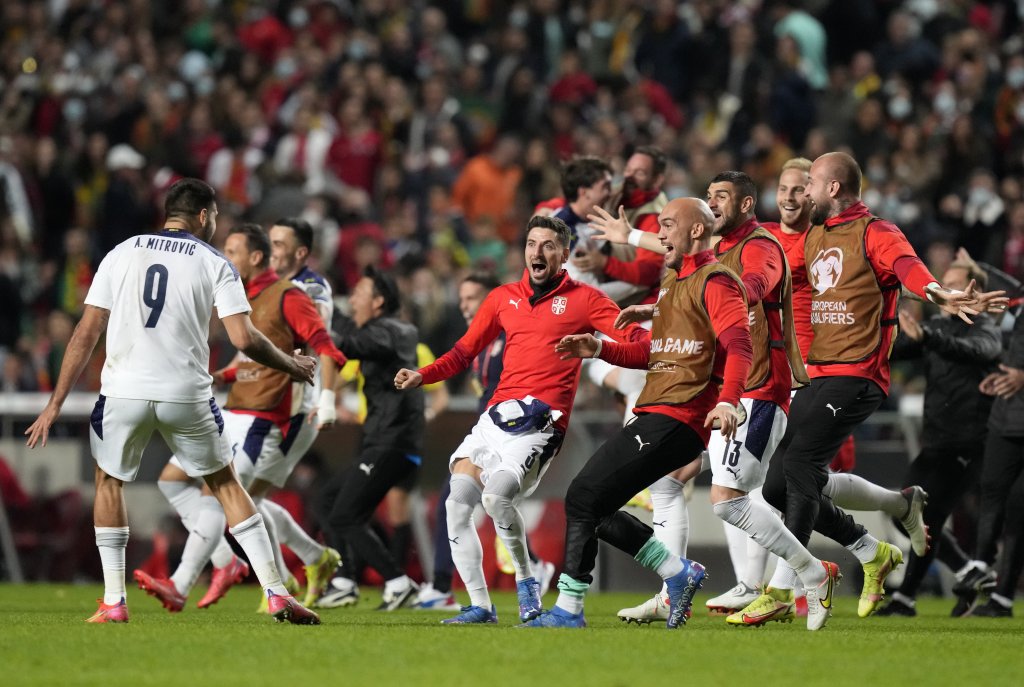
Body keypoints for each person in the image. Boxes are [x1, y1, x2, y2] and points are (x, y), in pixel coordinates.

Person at [520, 197, 835, 630]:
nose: (660, 233)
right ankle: (683, 573)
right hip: (658, 410)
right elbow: (657, 353)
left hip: (680, 415)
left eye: (668, 225)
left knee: (586, 496)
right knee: (593, 505)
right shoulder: (673, 280)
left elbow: (740, 345)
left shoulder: (717, 281)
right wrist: (600, 349)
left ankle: (574, 609)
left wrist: (728, 399)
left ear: (696, 231)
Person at [24, 178, 321, 624]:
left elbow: (86, 332)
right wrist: (291, 364)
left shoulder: (121, 252)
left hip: (123, 390)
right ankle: (277, 594)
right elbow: (244, 338)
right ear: (202, 215)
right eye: (214, 215)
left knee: (109, 483)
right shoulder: (214, 262)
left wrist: (54, 404)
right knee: (225, 485)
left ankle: (113, 602)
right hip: (185, 392)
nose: (216, 223)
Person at [757, 152, 1006, 619]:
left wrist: (939, 294)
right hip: (817, 374)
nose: (804, 192)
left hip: (857, 374)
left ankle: (786, 588)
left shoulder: (876, 232)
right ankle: (877, 540)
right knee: (774, 487)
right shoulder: (815, 236)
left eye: (810, 183)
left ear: (833, 188)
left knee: (801, 467)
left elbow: (908, 269)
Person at [613, 174, 841, 629]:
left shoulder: (761, 247)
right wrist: (661, 306)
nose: (713, 202)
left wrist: (682, 295)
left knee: (727, 500)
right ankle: (670, 592)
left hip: (756, 387)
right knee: (667, 481)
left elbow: (745, 291)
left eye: (721, 197)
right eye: (709, 196)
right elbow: (698, 286)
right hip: (715, 390)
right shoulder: (714, 253)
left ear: (746, 204)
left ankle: (811, 572)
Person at [394, 215, 646, 625]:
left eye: (548, 245)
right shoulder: (503, 298)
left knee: (496, 499)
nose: (537, 252)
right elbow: (463, 352)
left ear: (564, 254)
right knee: (456, 504)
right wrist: (424, 375)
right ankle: (480, 606)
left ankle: (527, 579)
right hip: (494, 419)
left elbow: (639, 345)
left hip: (542, 424)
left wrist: (602, 348)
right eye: (531, 243)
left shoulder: (586, 300)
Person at [135, 222, 347, 614]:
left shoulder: (294, 294)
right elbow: (252, 354)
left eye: (232, 252)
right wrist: (221, 376)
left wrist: (328, 399)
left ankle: (182, 583)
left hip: (267, 416)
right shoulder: (243, 295)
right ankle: (254, 561)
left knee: (222, 494)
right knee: (175, 482)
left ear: (256, 256)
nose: (225, 258)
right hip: (234, 408)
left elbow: (326, 347)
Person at [412, 274, 555, 611]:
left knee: (483, 500)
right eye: (462, 299)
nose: (464, 306)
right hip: (486, 432)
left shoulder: (511, 338)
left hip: (515, 433)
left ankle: (448, 586)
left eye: (472, 298)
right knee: (462, 500)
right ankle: (523, 570)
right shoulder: (480, 344)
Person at [874, 260, 1001, 616]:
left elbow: (979, 351)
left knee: (923, 517)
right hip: (937, 440)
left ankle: (912, 594)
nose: (948, 290)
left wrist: (927, 337)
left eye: (955, 283)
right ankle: (962, 573)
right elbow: (896, 349)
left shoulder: (985, 328)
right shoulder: (938, 326)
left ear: (974, 290)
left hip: (968, 442)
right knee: (910, 515)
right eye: (945, 283)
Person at [314, 267, 425, 611]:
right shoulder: (385, 330)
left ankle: (397, 581)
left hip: (392, 442)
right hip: (385, 440)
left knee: (344, 514)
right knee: (328, 501)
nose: (353, 299)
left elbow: (348, 342)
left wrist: (323, 320)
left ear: (378, 301)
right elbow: (349, 335)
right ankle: (345, 581)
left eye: (359, 292)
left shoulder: (391, 332)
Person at [955, 299, 1024, 617]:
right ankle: (981, 564)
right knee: (992, 490)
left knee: (1018, 508)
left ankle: (1003, 596)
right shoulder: (1018, 304)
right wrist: (1000, 375)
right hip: (1006, 415)